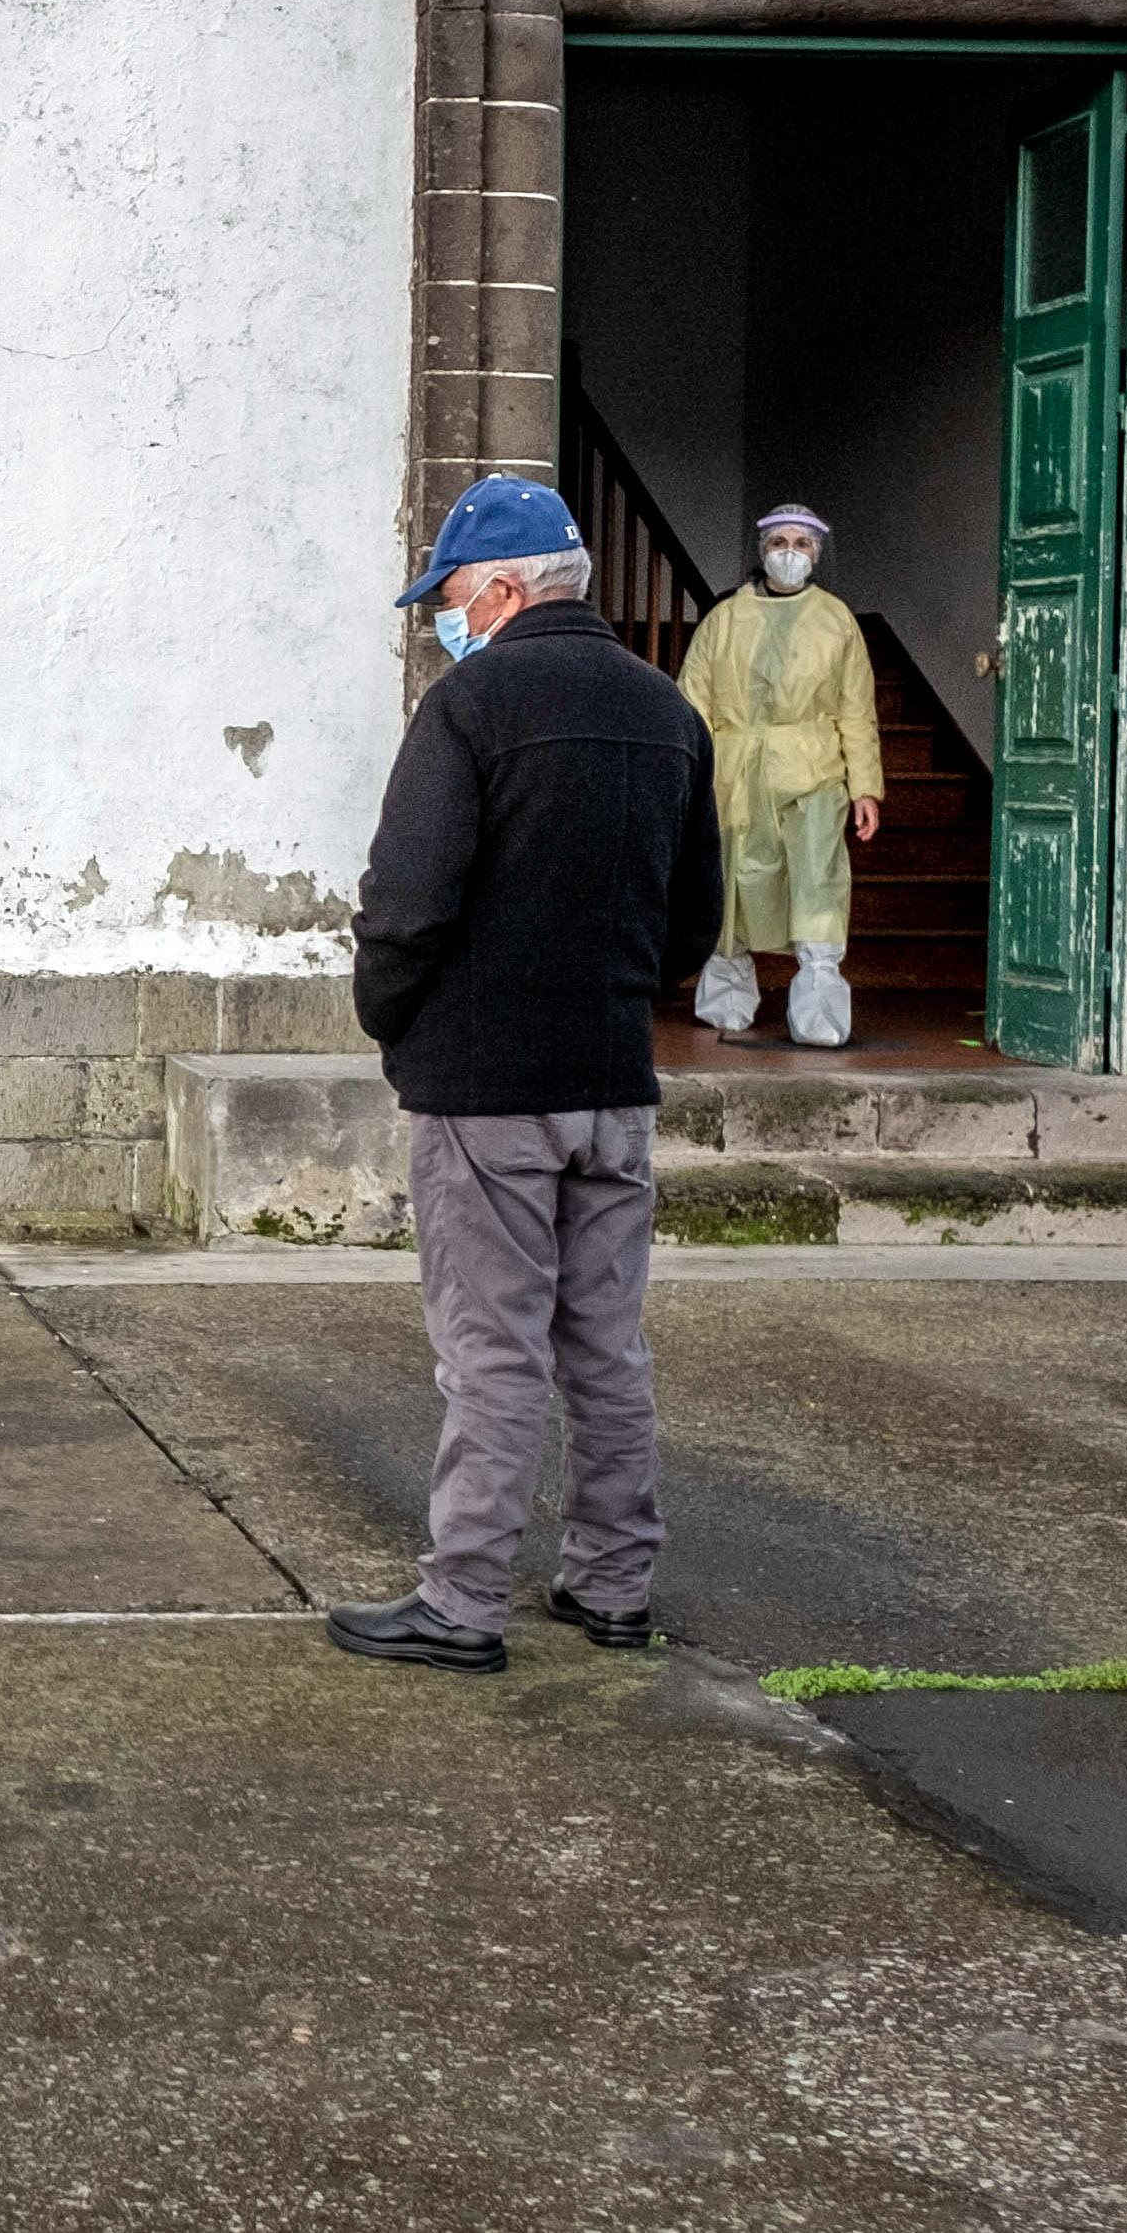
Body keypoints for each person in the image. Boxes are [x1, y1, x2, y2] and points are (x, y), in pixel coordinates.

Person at [326, 474, 724, 1676]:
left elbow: (406, 901)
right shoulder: (666, 711)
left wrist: (386, 1016)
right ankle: (611, 1583)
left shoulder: (468, 705)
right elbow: (693, 917)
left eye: (448, 596)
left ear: (501, 589)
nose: (441, 619)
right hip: (612, 1080)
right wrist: (618, 997)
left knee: (490, 1348)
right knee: (604, 1345)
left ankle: (461, 1600)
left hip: (484, 1084)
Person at [679, 503, 885, 1048]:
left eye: (802, 544)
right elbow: (693, 704)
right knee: (731, 885)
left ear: (817, 554)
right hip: (733, 774)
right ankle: (726, 1002)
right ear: (762, 550)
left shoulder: (835, 620)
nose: (790, 553)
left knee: (817, 881)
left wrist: (865, 787)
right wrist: (690, 779)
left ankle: (820, 1014)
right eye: (779, 543)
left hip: (812, 773)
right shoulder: (724, 619)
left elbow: (855, 710)